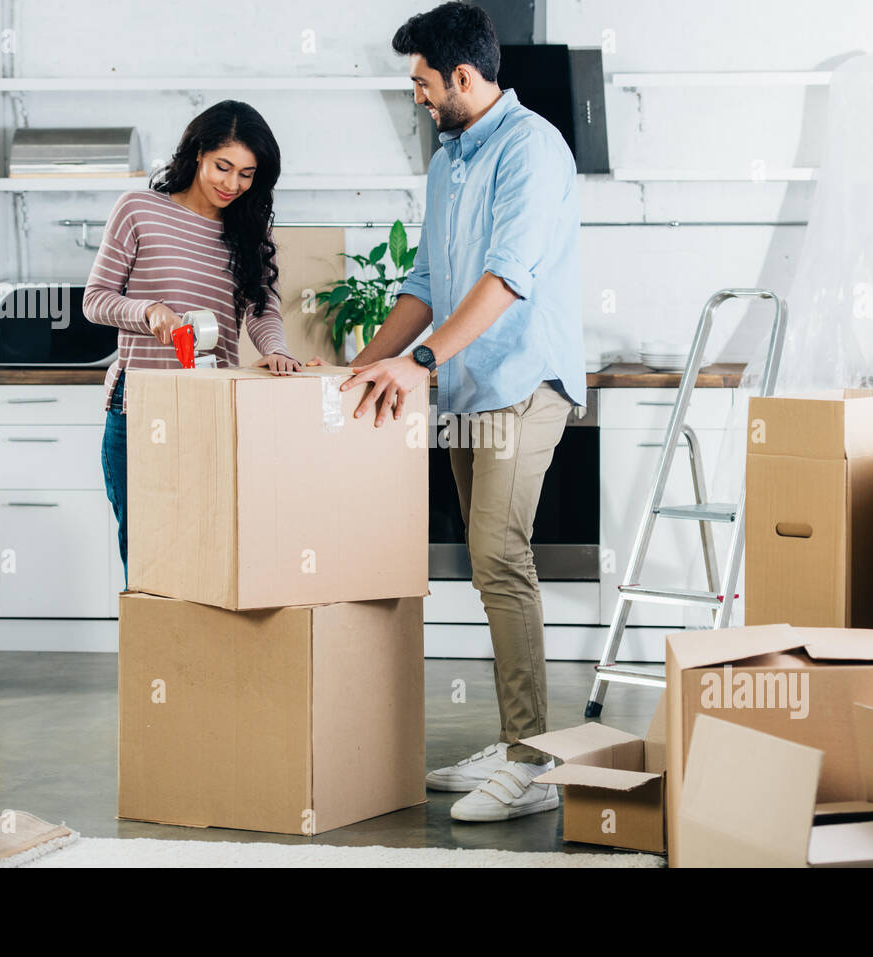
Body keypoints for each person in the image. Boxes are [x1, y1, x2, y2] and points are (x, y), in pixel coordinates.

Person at [343, 2, 587, 822]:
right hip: (464, 385)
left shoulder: (533, 150)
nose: (415, 96)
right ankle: (516, 741)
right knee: (487, 567)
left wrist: (416, 365)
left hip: (524, 380)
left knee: (498, 553)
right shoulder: (449, 159)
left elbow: (507, 278)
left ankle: (533, 762)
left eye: (421, 82)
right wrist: (371, 362)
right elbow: (424, 283)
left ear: (464, 77)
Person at [84, 100, 301, 585]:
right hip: (140, 407)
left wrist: (276, 350)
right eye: (223, 167)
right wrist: (149, 312)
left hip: (212, 407)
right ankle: (155, 659)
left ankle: (203, 661)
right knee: (147, 556)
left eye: (247, 174)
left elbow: (262, 309)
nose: (232, 184)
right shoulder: (138, 210)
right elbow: (95, 300)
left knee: (210, 551)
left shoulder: (246, 230)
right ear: (197, 152)